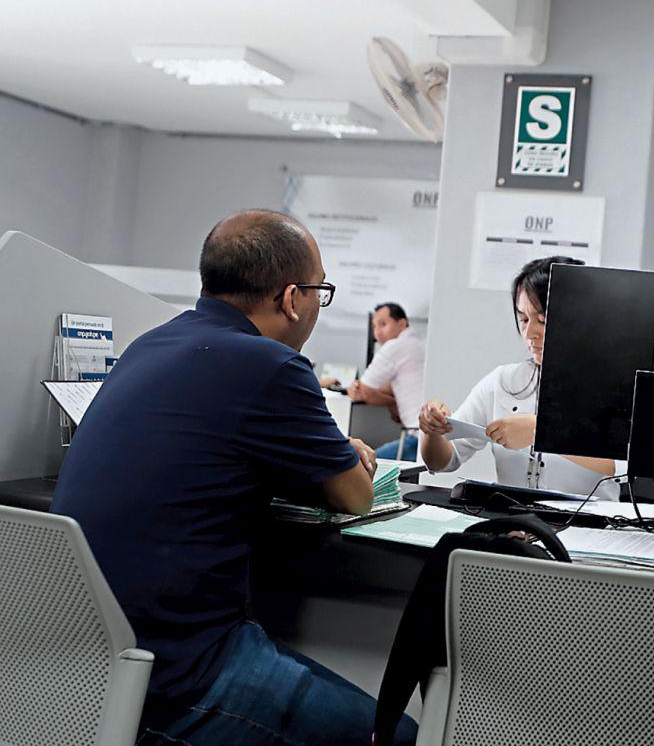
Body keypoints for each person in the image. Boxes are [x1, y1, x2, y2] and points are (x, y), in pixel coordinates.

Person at [52, 209, 417, 746]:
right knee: (396, 737)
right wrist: (337, 455)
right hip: (182, 677)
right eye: (321, 292)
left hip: (82, 665)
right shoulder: (271, 364)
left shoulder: (147, 344)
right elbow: (356, 496)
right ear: (293, 298)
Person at [418, 256, 620, 499]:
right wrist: (432, 430)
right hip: (516, 527)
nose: (529, 333)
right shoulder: (503, 381)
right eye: (524, 319)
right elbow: (443, 462)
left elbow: (622, 466)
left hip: (589, 531)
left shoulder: (613, 386)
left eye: (542, 321)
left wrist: (540, 431)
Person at [344, 302, 425, 462]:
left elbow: (362, 391)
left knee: (362, 464)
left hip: (416, 438)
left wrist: (391, 402)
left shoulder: (394, 346)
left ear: (402, 324)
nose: (377, 333)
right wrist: (392, 402)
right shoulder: (420, 344)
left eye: (383, 324)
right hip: (431, 436)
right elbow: (395, 385)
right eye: (374, 326)